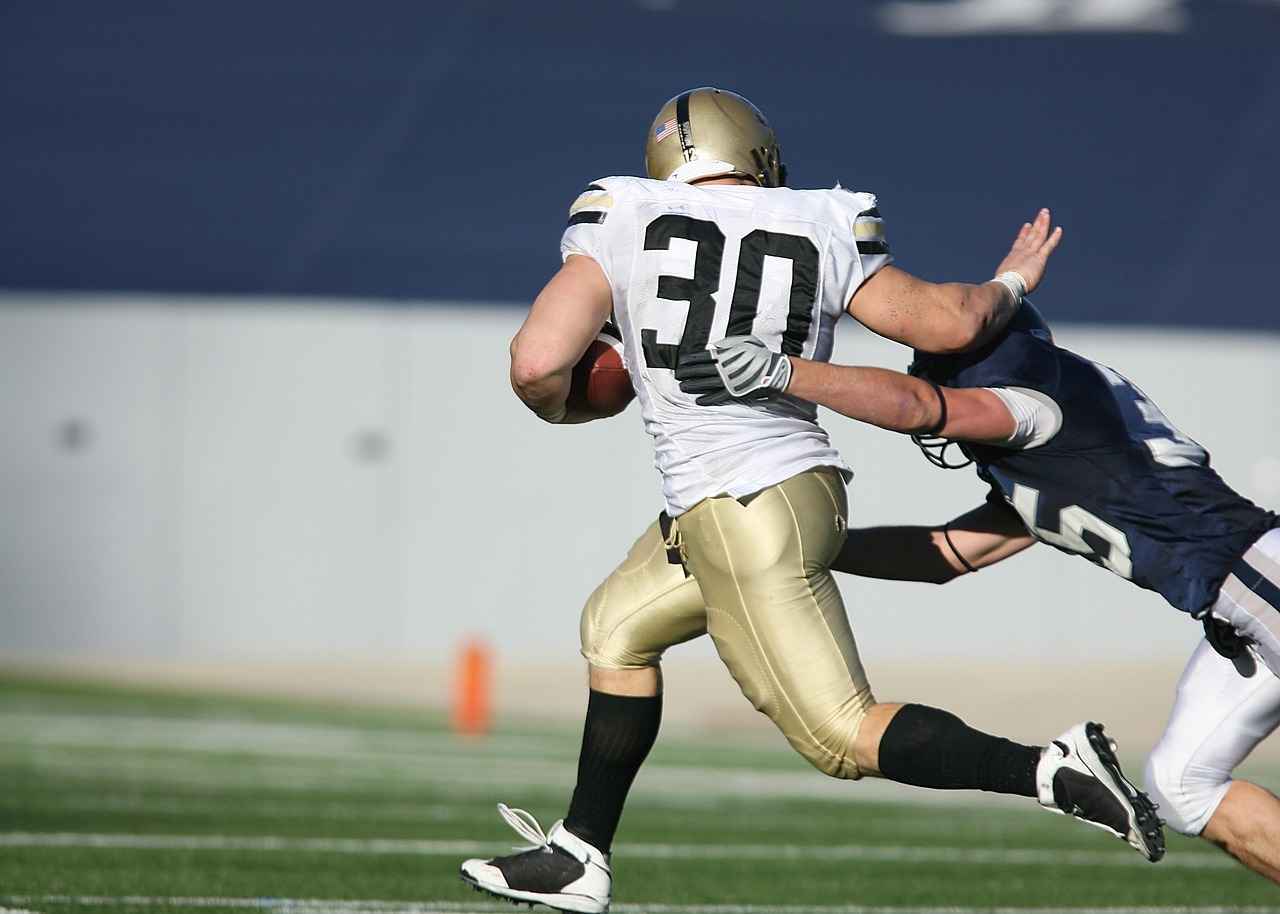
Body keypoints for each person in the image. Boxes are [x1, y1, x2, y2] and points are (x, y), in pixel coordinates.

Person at [459, 87, 1161, 914]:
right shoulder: (822, 220)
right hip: (777, 495)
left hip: (742, 508)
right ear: (752, 149)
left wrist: (572, 402)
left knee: (841, 736)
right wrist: (1012, 281)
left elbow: (539, 363)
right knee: (614, 629)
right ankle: (580, 852)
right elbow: (946, 323)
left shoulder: (619, 214)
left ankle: (1053, 768)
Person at [685, 301, 1280, 882]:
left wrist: (786, 372)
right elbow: (944, 554)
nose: (928, 380)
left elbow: (918, 408)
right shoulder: (1056, 453)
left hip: (1254, 576)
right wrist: (791, 544)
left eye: (938, 369)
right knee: (1182, 786)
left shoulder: (1034, 404)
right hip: (1235, 610)